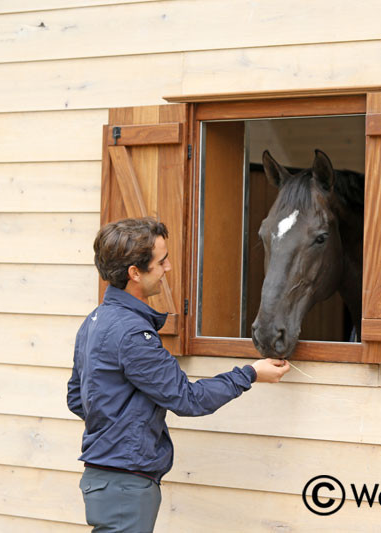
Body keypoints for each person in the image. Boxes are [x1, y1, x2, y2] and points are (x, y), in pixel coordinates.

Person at [67, 217, 290, 532]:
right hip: (125, 484)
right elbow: (189, 399)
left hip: (104, 478)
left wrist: (122, 423)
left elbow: (77, 399)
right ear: (134, 273)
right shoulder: (132, 334)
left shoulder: (96, 320)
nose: (168, 268)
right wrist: (251, 373)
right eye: (161, 261)